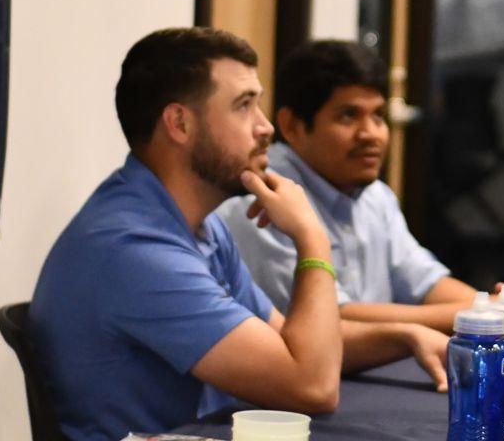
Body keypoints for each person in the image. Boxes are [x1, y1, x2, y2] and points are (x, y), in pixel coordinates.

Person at [33, 28, 347, 441]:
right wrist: (311, 237)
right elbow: (312, 386)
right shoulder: (134, 249)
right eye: (244, 106)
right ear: (179, 123)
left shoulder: (196, 222)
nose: (266, 127)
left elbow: (285, 339)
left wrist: (404, 335)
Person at [218, 40, 504, 337]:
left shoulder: (375, 195)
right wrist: (478, 313)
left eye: (378, 115)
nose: (371, 134)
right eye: (348, 116)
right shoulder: (263, 199)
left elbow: (422, 279)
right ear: (292, 126)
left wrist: (501, 308)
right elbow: (331, 317)